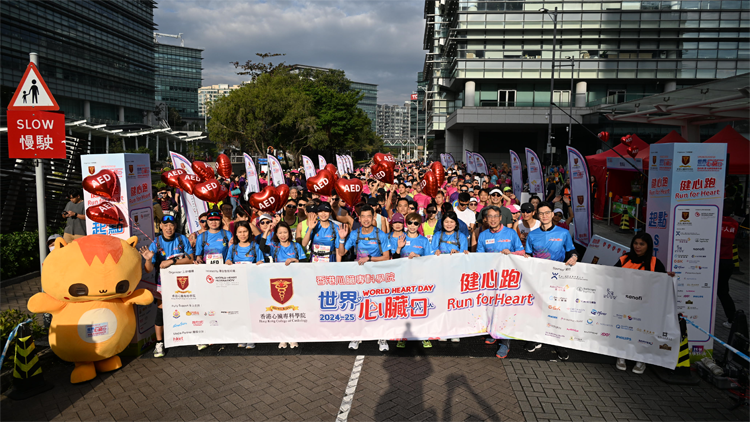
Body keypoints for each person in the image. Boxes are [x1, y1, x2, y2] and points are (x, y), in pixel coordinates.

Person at [524, 202, 578, 361]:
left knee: (556, 311)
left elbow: (572, 251)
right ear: (537, 215)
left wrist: (574, 257)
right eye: (541, 213)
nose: (544, 216)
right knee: (538, 309)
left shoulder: (563, 233)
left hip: (558, 280)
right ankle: (536, 339)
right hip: (538, 279)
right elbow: (528, 256)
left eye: (547, 213)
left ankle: (558, 342)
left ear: (553, 214)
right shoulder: (532, 235)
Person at [614, 232, 672, 374]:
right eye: (635, 243)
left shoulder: (655, 262)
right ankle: (621, 356)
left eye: (642, 244)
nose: (638, 247)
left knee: (643, 333)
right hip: (625, 304)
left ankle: (641, 360)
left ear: (648, 246)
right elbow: (612, 275)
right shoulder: (624, 259)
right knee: (624, 330)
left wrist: (667, 277)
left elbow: (661, 283)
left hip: (646, 306)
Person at [139, 215, 194, 358]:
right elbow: (149, 269)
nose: (169, 228)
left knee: (188, 307)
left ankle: (194, 336)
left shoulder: (181, 239)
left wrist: (172, 261)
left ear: (175, 226)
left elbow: (190, 259)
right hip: (163, 282)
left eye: (171, 225)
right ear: (161, 227)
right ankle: (159, 343)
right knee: (161, 310)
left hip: (183, 281)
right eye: (165, 225)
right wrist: (149, 259)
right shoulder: (156, 243)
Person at [337, 205, 391, 351]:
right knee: (359, 305)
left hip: (377, 276)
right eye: (363, 217)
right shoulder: (355, 234)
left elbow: (386, 257)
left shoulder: (381, 235)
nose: (366, 219)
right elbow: (341, 253)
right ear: (359, 219)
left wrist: (370, 258)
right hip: (360, 276)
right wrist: (342, 239)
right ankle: (357, 336)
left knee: (378, 305)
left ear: (374, 218)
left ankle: (382, 337)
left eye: (369, 216)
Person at [475, 206, 524, 358]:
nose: (493, 219)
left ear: (501, 217)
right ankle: (494, 333)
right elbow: (479, 257)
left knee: (505, 310)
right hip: (490, 279)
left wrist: (512, 253)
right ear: (486, 219)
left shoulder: (510, 233)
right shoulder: (483, 235)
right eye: (490, 216)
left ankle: (505, 343)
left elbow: (522, 252)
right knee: (491, 306)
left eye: (495, 216)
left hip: (508, 279)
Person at [259, 221, 307, 349]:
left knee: (293, 310)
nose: (282, 235)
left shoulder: (296, 246)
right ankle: (282, 337)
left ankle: (293, 337)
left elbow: (304, 262)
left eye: (285, 232)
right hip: (278, 284)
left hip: (295, 283)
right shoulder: (274, 247)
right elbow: (262, 248)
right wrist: (267, 230)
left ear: (289, 233)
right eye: (280, 233)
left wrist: (294, 260)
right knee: (281, 311)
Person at [392, 213, 434, 349]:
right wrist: (399, 248)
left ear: (419, 225)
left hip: (419, 279)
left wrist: (418, 257)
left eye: (416, 223)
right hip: (403, 278)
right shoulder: (400, 238)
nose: (412, 226)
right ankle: (402, 337)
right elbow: (393, 259)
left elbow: (430, 260)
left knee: (419, 307)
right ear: (406, 224)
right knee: (403, 307)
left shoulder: (424, 241)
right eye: (410, 223)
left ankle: (424, 336)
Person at [225, 220, 264, 349]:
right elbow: (227, 261)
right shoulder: (233, 247)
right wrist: (229, 262)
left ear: (249, 232)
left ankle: (251, 337)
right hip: (237, 284)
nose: (242, 234)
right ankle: (242, 336)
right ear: (235, 234)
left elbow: (261, 261)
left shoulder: (255, 246)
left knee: (250, 311)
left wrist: (259, 264)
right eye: (240, 232)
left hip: (252, 284)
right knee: (240, 311)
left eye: (245, 231)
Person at [717, 200, 739, 328]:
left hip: (714, 261)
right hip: (728, 261)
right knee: (724, 291)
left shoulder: (715, 221)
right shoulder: (735, 224)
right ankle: (732, 319)